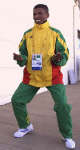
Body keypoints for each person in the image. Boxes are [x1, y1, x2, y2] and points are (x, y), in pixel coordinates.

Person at [11, 4, 75, 149]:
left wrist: (58, 59)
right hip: (32, 76)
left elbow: (64, 53)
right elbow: (24, 53)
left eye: (40, 14)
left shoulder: (55, 33)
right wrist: (21, 59)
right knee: (17, 100)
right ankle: (25, 126)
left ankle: (67, 135)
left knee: (63, 106)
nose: (37, 17)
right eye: (34, 14)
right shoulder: (27, 34)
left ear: (47, 15)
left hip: (52, 77)